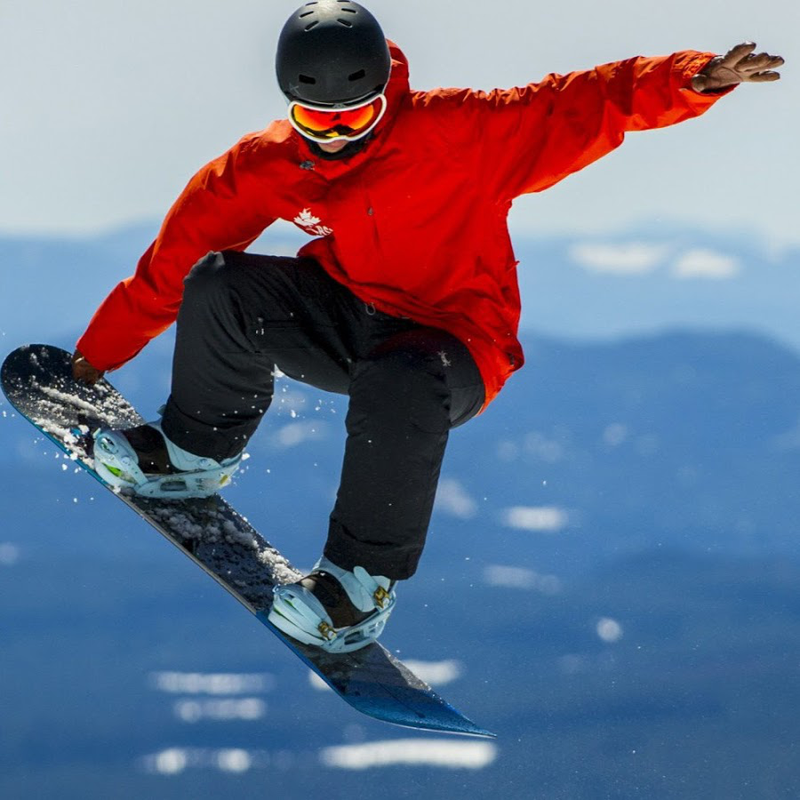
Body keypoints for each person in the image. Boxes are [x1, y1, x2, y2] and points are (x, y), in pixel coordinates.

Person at [71, 1, 783, 652]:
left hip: (455, 347)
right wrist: (95, 359)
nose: (338, 138)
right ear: (292, 108)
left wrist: (694, 78)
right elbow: (169, 267)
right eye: (319, 122)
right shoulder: (264, 166)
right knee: (220, 281)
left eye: (358, 117)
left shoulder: (461, 132)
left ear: (387, 96)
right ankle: (192, 454)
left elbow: (580, 103)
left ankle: (357, 587)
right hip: (349, 316)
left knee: (400, 377)